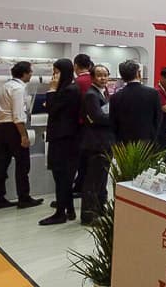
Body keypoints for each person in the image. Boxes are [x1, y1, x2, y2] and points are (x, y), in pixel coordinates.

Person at [0, 61, 43, 210]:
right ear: (24, 73)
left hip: (2, 127)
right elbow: (18, 115)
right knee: (23, 164)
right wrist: (23, 135)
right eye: (30, 72)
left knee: (2, 162)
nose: (31, 74)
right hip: (14, 128)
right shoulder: (19, 89)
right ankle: (24, 198)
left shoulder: (5, 86)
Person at [40, 58, 81, 225]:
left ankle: (60, 213)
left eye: (56, 72)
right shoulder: (68, 89)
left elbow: (52, 109)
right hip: (63, 138)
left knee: (62, 176)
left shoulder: (70, 90)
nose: (54, 76)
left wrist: (51, 90)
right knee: (63, 177)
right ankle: (69, 210)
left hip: (65, 140)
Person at [80, 64, 114, 225]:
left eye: (105, 75)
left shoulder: (103, 92)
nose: (103, 78)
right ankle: (88, 215)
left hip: (104, 140)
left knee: (101, 178)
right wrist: (116, 117)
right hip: (97, 142)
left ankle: (100, 208)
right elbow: (98, 117)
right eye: (99, 75)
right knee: (93, 181)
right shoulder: (91, 95)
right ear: (92, 77)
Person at [110, 60, 162, 143]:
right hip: (147, 140)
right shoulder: (152, 93)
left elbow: (113, 123)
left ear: (122, 76)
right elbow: (158, 118)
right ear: (138, 73)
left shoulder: (115, 97)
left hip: (124, 142)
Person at [72, 53, 93, 196]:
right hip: (94, 125)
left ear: (75, 66)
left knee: (80, 158)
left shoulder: (76, 83)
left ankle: (80, 185)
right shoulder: (96, 80)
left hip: (79, 125)